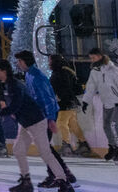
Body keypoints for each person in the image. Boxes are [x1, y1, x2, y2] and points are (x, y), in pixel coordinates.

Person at [0, 58, 71, 192]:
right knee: (18, 149)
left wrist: (0, 114)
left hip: (35, 121)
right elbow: (16, 106)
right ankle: (26, 181)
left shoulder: (14, 85)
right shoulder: (8, 84)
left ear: (4, 71)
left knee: (45, 153)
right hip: (25, 122)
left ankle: (64, 181)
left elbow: (16, 105)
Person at [15, 50, 76, 187]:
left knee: (46, 150)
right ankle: (62, 174)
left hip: (44, 117)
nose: (17, 64)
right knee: (46, 149)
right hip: (39, 116)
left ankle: (61, 176)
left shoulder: (37, 77)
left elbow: (48, 99)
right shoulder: (29, 74)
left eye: (19, 61)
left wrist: (51, 119)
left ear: (24, 61)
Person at [82, 46, 118, 161]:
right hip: (107, 103)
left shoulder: (112, 69)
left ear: (100, 56)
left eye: (93, 58)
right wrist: (85, 101)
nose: (92, 60)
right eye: (91, 58)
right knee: (106, 126)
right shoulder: (95, 71)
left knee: (113, 125)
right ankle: (113, 147)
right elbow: (91, 87)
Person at [48, 54, 91, 157]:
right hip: (71, 101)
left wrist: (59, 97)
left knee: (61, 123)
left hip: (65, 102)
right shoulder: (66, 70)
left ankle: (66, 145)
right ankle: (83, 144)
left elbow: (63, 88)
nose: (48, 63)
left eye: (50, 61)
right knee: (73, 124)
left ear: (54, 62)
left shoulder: (59, 73)